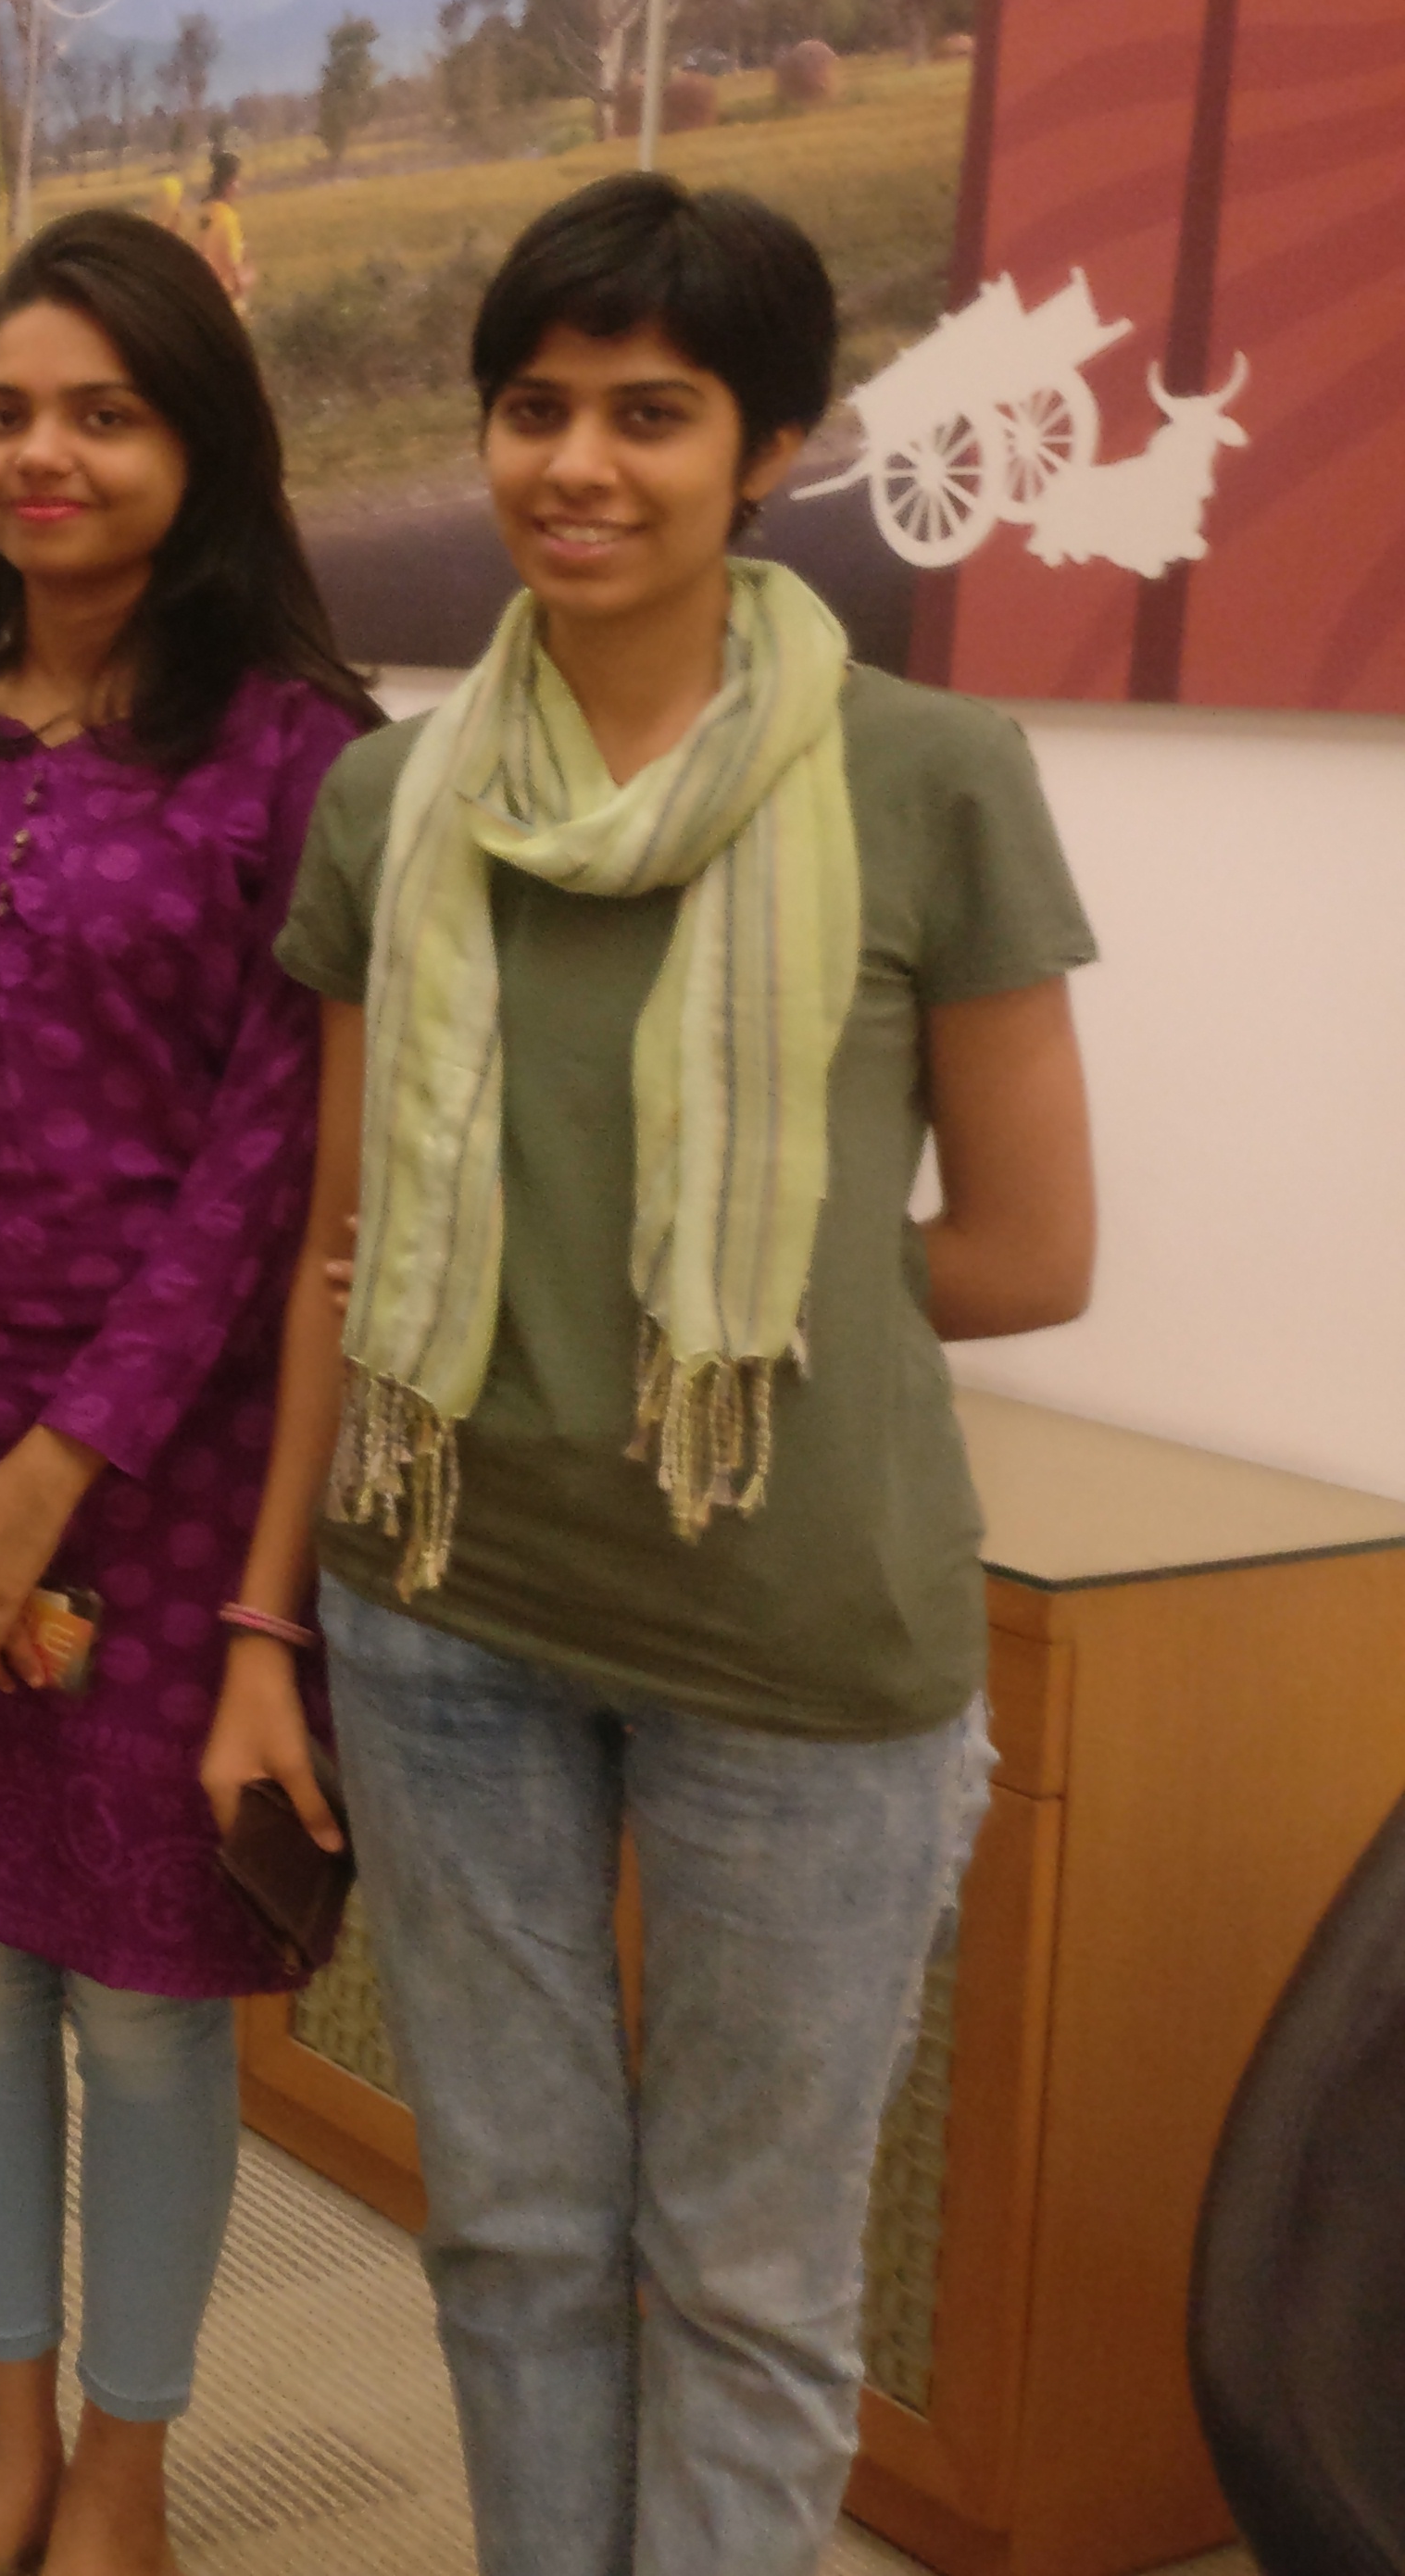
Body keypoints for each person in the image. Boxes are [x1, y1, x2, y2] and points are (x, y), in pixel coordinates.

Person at [201, 174, 1099, 2576]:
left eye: (652, 412)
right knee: (511, 2236)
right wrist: (268, 1627)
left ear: (773, 444)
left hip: (797, 1645)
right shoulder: (395, 804)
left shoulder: (925, 777)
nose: (577, 463)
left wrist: (730, 1282)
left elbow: (1029, 1250)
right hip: (443, 1618)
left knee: (744, 2273)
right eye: (534, 407)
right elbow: (336, 1254)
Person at [0, 211, 375, 2576]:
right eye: (2, 411)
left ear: (195, 444)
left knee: (140, 2003)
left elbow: (270, 1167)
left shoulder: (296, 762)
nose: (41, 454)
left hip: (166, 1474)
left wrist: (50, 1468)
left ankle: (126, 2464)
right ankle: (1, 2443)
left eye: (100, 410)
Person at [194, 148, 254, 308]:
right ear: (229, 184)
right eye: (237, 181)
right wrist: (250, 275)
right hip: (227, 306)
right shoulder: (228, 220)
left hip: (203, 303)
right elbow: (237, 282)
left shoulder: (203, 214)